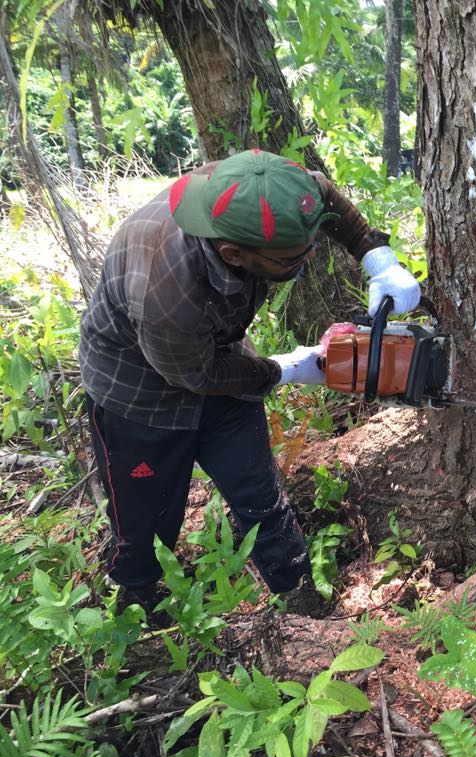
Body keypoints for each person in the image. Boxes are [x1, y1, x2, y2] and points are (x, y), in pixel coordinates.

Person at [78, 148, 420, 620]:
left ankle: (299, 592)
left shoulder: (270, 192)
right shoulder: (167, 289)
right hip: (139, 397)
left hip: (214, 363)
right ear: (233, 253)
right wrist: (284, 369)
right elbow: (196, 376)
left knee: (259, 491)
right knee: (145, 521)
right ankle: (139, 605)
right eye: (289, 259)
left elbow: (319, 191)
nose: (306, 259)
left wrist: (375, 255)